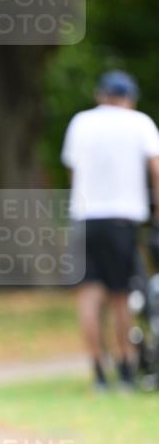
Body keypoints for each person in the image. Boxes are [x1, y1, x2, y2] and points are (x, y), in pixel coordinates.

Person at [61, 70, 159, 390]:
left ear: (101, 95)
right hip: (122, 219)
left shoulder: (81, 122)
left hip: (85, 217)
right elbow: (155, 169)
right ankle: (127, 368)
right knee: (121, 296)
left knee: (89, 296)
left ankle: (98, 372)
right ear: (129, 97)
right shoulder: (140, 123)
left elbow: (73, 172)